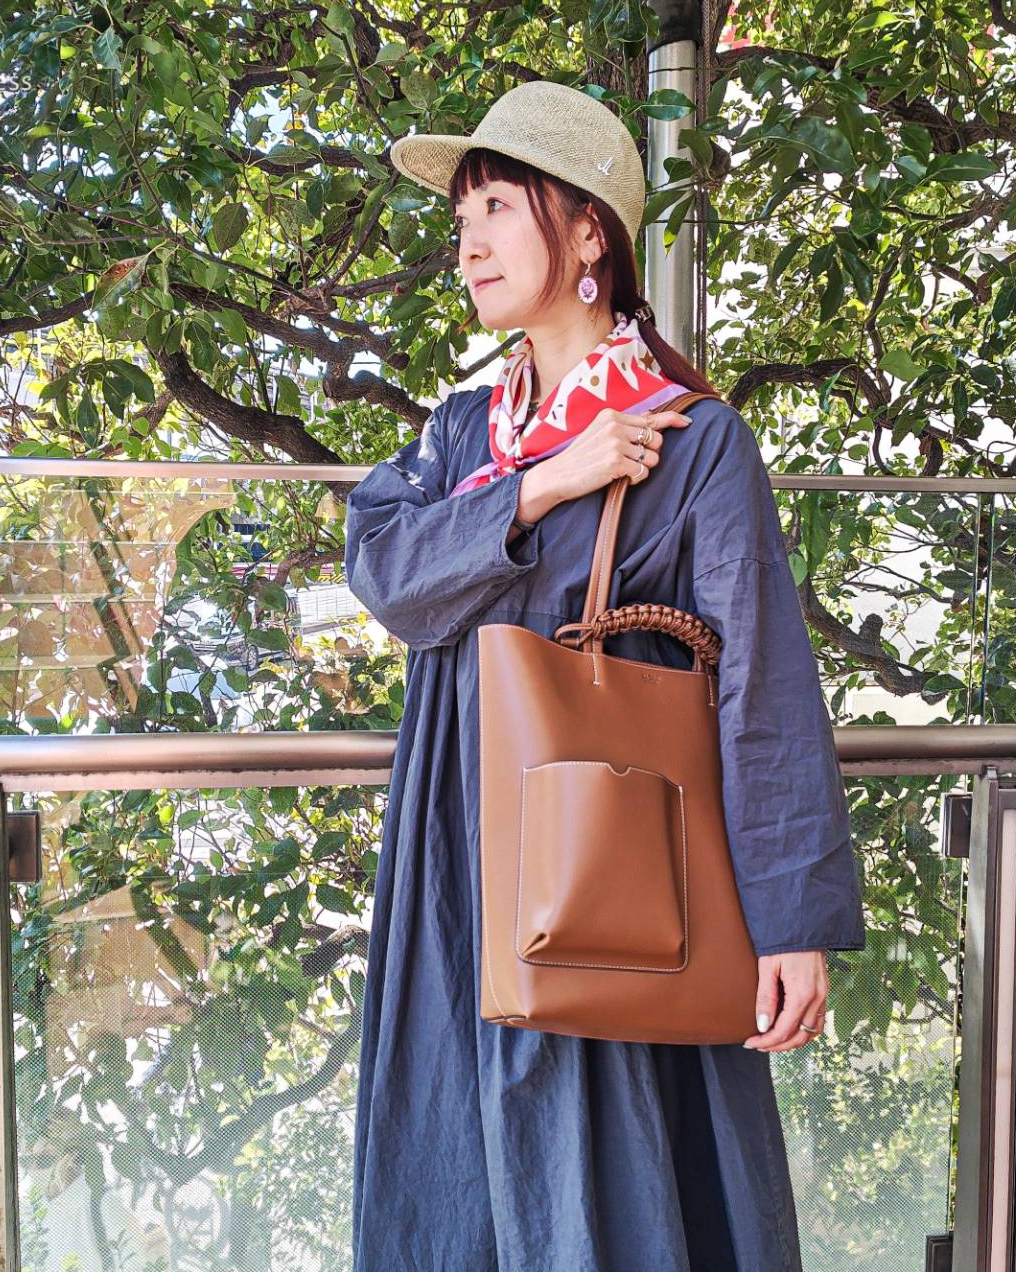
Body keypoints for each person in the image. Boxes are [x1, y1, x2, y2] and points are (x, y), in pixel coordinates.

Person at [343, 79, 867, 1272]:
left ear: (588, 233)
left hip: (612, 864)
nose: (468, 243)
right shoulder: (463, 432)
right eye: (461, 217)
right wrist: (547, 483)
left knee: (620, 1174)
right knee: (456, 1176)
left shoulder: (692, 437)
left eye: (496, 208)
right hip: (459, 858)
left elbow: (761, 683)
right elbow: (383, 572)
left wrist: (789, 922)